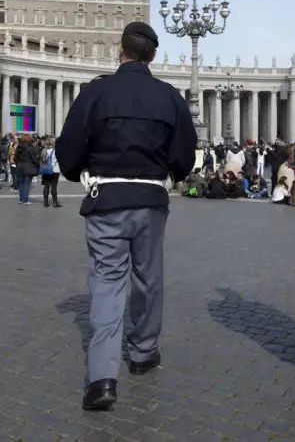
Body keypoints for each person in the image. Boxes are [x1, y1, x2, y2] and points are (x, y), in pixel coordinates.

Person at [56, 21, 196, 410]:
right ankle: (143, 351)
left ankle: (101, 378)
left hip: (106, 198)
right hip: (151, 200)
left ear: (120, 50)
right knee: (149, 278)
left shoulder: (96, 92)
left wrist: (79, 171)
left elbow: (69, 145)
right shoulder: (169, 97)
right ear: (153, 56)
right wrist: (171, 174)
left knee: (106, 283)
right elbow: (186, 151)